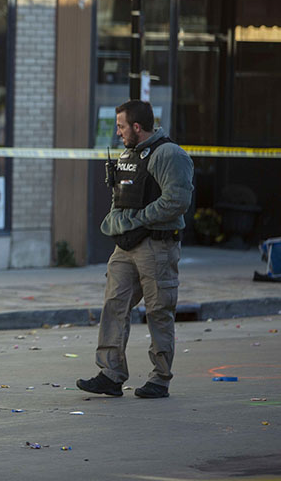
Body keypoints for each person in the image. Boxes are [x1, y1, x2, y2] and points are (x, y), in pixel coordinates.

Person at [77, 99, 194, 399]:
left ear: (137, 127)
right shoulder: (130, 155)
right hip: (127, 245)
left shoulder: (168, 154)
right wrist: (119, 223)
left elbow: (176, 201)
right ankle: (110, 373)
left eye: (121, 126)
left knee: (158, 311)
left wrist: (137, 220)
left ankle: (160, 378)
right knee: (114, 304)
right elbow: (122, 196)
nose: (118, 132)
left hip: (157, 245)